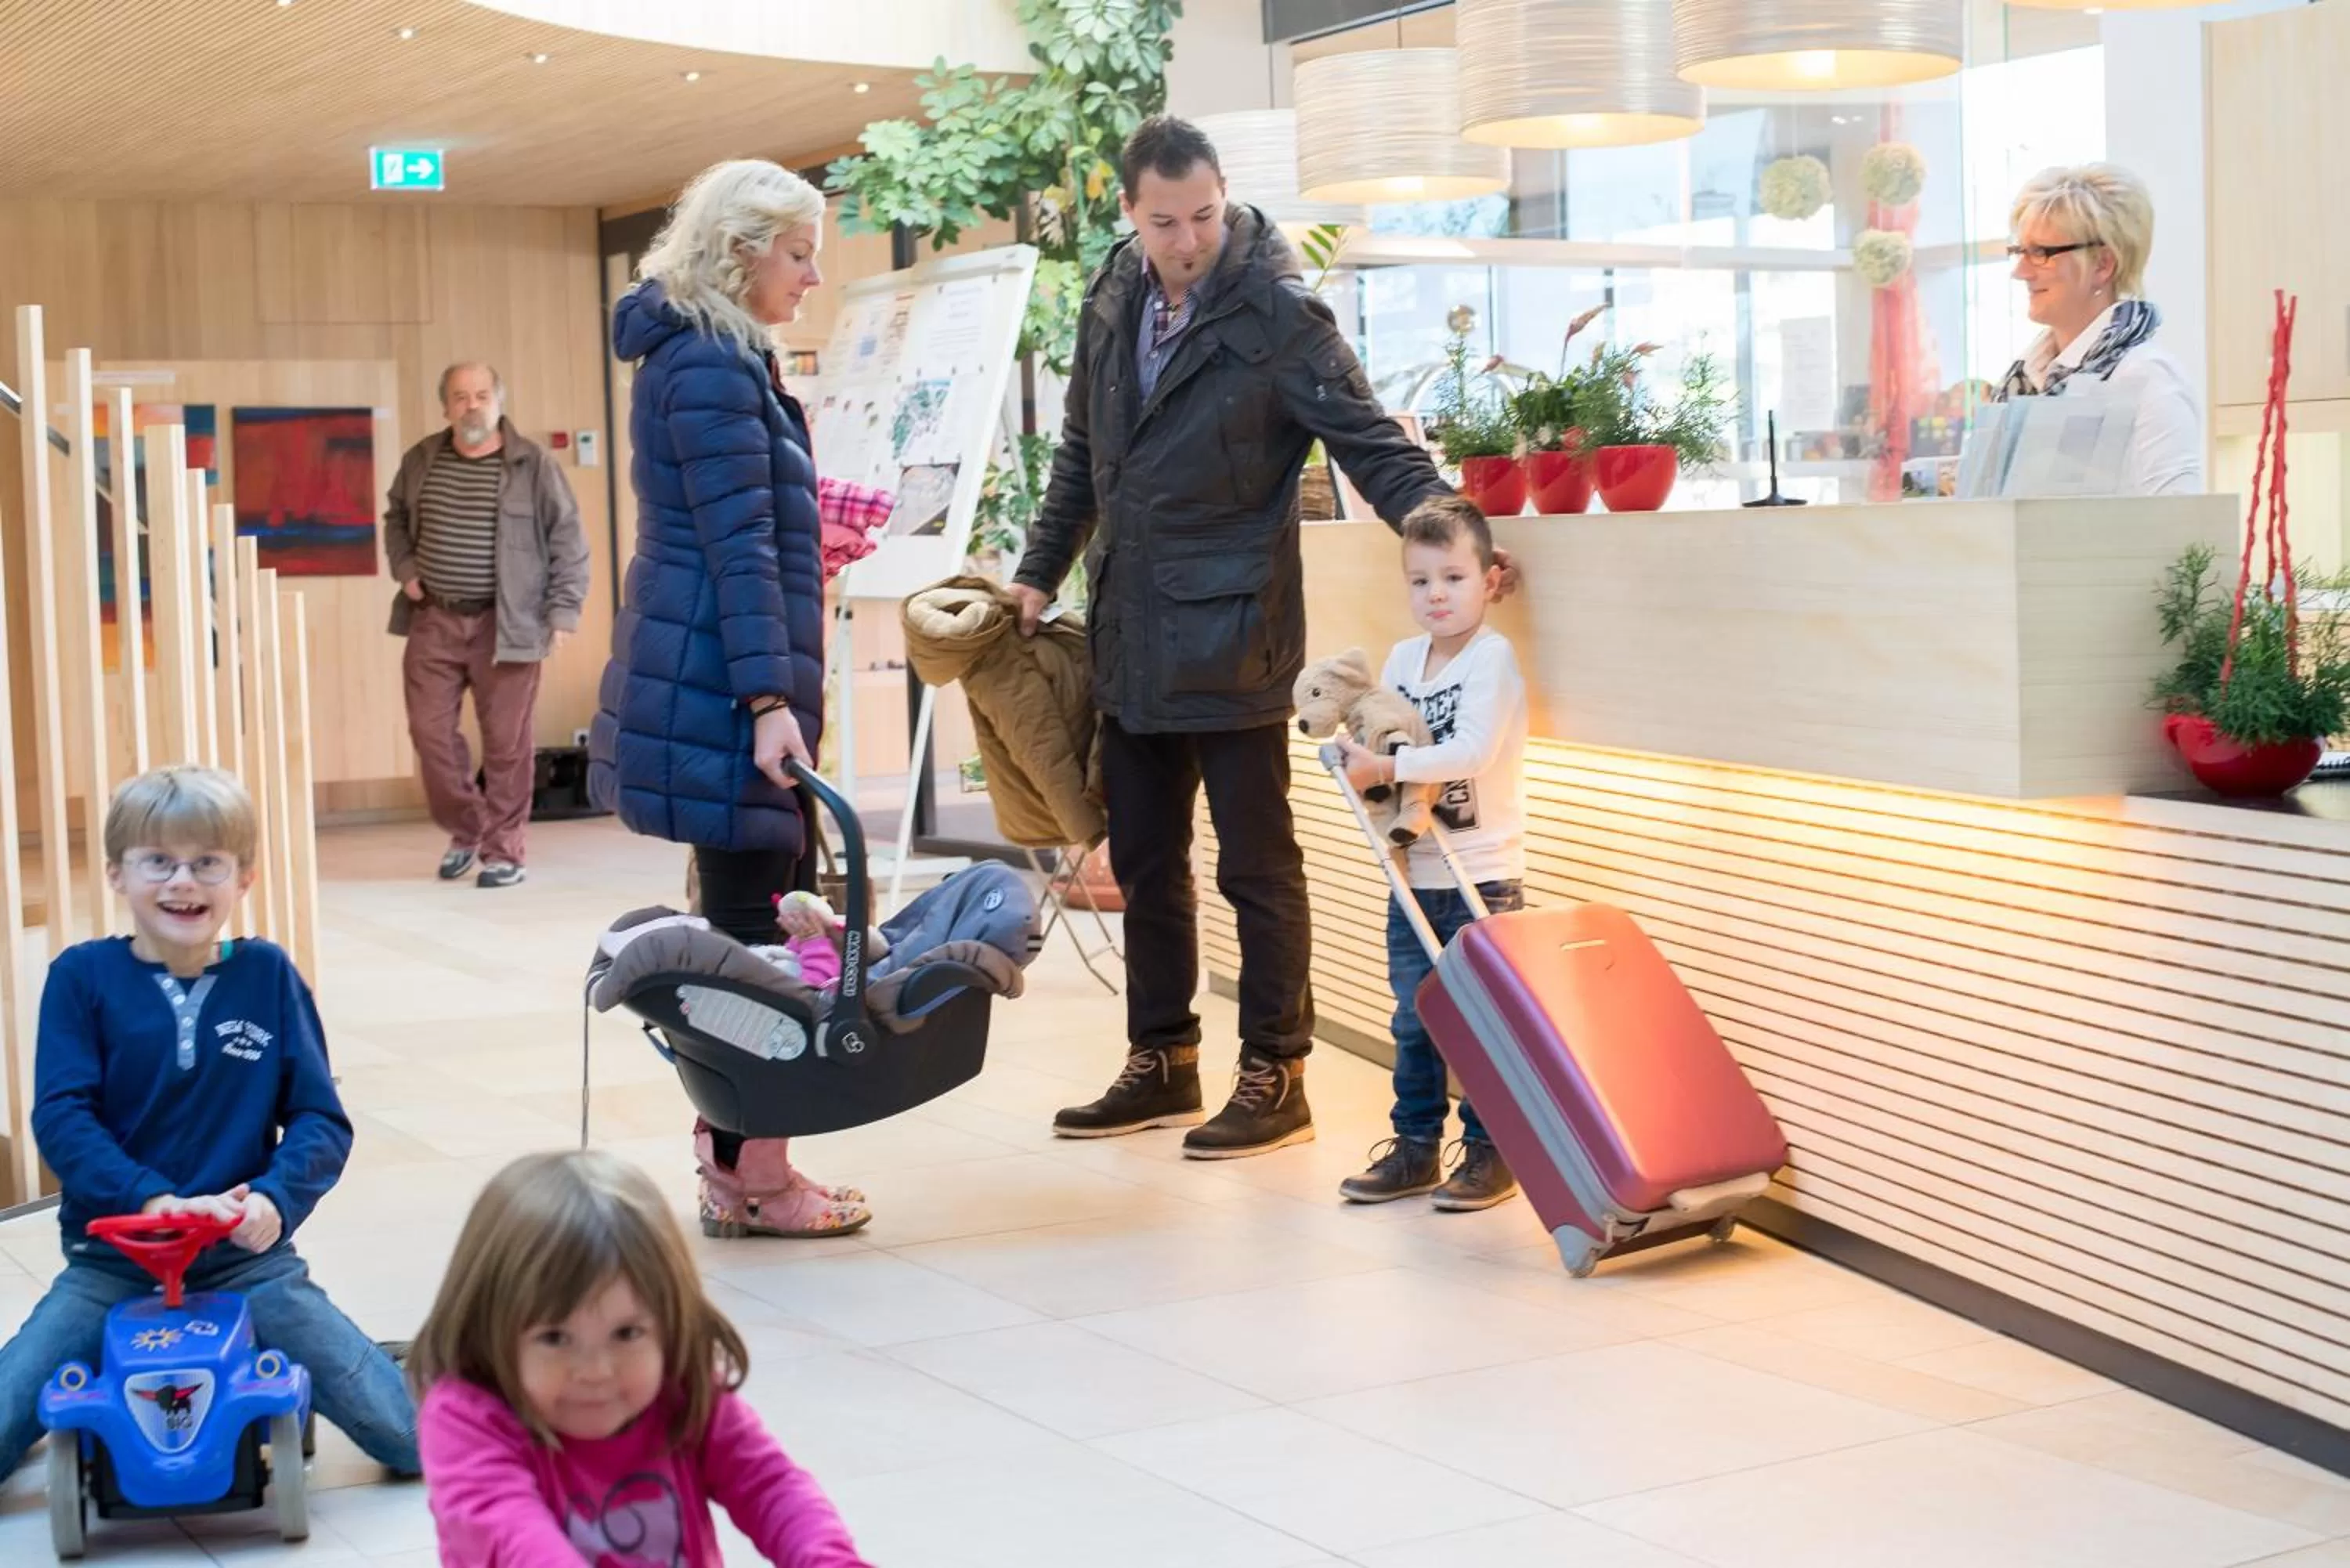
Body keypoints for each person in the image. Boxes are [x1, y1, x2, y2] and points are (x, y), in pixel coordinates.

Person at [1011, 114, 1492, 1160]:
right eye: (1163, 221)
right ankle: (1162, 1058)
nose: (1186, 241)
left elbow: (1368, 439)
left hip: (1235, 632)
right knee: (1145, 859)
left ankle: (1278, 1070)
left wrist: (1455, 535)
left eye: (1204, 216)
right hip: (1131, 630)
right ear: (1130, 213)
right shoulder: (1111, 292)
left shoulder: (1275, 309)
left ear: (1225, 199)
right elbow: (1083, 455)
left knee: (1257, 866)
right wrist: (1038, 572)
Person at [588, 158, 865, 1238]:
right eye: (798, 255)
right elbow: (740, 544)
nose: (811, 277)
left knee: (741, 924)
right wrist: (766, 704)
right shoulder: (708, 360)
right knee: (754, 942)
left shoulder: (706, 350)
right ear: (744, 248)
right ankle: (758, 1176)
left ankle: (734, 1165)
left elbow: (740, 527)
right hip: (722, 682)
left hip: (711, 665)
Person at [0, 766, 418, 1476]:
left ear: (243, 879)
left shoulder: (268, 976)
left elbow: (320, 1119)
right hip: (114, 1264)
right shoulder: (81, 978)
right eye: (157, 862)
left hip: (245, 1262)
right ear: (116, 874)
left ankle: (352, 1370)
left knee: (408, 1443)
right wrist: (149, 1200)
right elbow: (64, 1119)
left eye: (207, 864)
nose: (182, 883)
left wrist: (274, 1200)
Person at [410, 1150, 870, 1566]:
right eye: (555, 1338)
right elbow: (508, 1534)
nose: (596, 1371)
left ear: (669, 1323)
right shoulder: (467, 1420)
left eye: (626, 1334)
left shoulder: (683, 1390)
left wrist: (827, 1559)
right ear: (492, 1330)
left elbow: (772, 1487)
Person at [1332, 497, 1528, 1212]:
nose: (1436, 595)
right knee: (1415, 1018)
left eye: (1452, 578)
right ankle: (1414, 1148)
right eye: (1421, 582)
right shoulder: (1402, 659)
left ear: (1488, 581)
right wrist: (1355, 755)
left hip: (1485, 875)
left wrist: (1386, 771)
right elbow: (1381, 730)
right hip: (1414, 873)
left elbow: (1472, 749)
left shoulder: (1492, 660)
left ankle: (1489, 1153)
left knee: (1483, 1022)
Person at [384, 361, 591, 890]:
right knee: (429, 733)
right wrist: (406, 572)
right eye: (459, 396)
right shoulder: (422, 460)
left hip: (511, 622)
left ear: (498, 401)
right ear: (446, 406)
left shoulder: (533, 464)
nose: (471, 405)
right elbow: (394, 519)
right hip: (435, 616)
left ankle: (504, 851)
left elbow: (568, 539)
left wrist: (562, 613)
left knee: (507, 745)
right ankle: (467, 829)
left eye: (480, 395)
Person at [1996, 163, 2202, 497]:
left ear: (2103, 265)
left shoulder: (2148, 379)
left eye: (2040, 253)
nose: (2020, 272)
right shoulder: (2021, 381)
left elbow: (2178, 529)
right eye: (2020, 251)